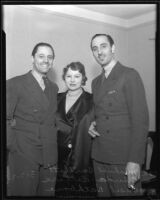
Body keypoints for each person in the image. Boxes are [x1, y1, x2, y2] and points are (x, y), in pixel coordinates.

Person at [88, 34, 149, 197]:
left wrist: (135, 161)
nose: (99, 52)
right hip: (99, 156)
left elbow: (140, 121)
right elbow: (100, 112)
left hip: (123, 158)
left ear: (113, 48)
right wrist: (93, 123)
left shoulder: (129, 75)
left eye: (103, 46)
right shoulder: (95, 82)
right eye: (95, 48)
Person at [7, 42, 58, 196]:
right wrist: (13, 146)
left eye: (50, 57)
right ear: (32, 58)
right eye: (41, 56)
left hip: (49, 153)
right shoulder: (15, 83)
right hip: (24, 153)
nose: (45, 60)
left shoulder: (53, 87)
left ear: (53, 61)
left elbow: (53, 119)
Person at [55, 62, 96, 198]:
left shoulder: (93, 100)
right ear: (64, 78)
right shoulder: (56, 98)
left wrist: (97, 123)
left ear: (83, 78)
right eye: (69, 76)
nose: (72, 80)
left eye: (77, 76)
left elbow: (104, 120)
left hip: (82, 160)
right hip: (58, 161)